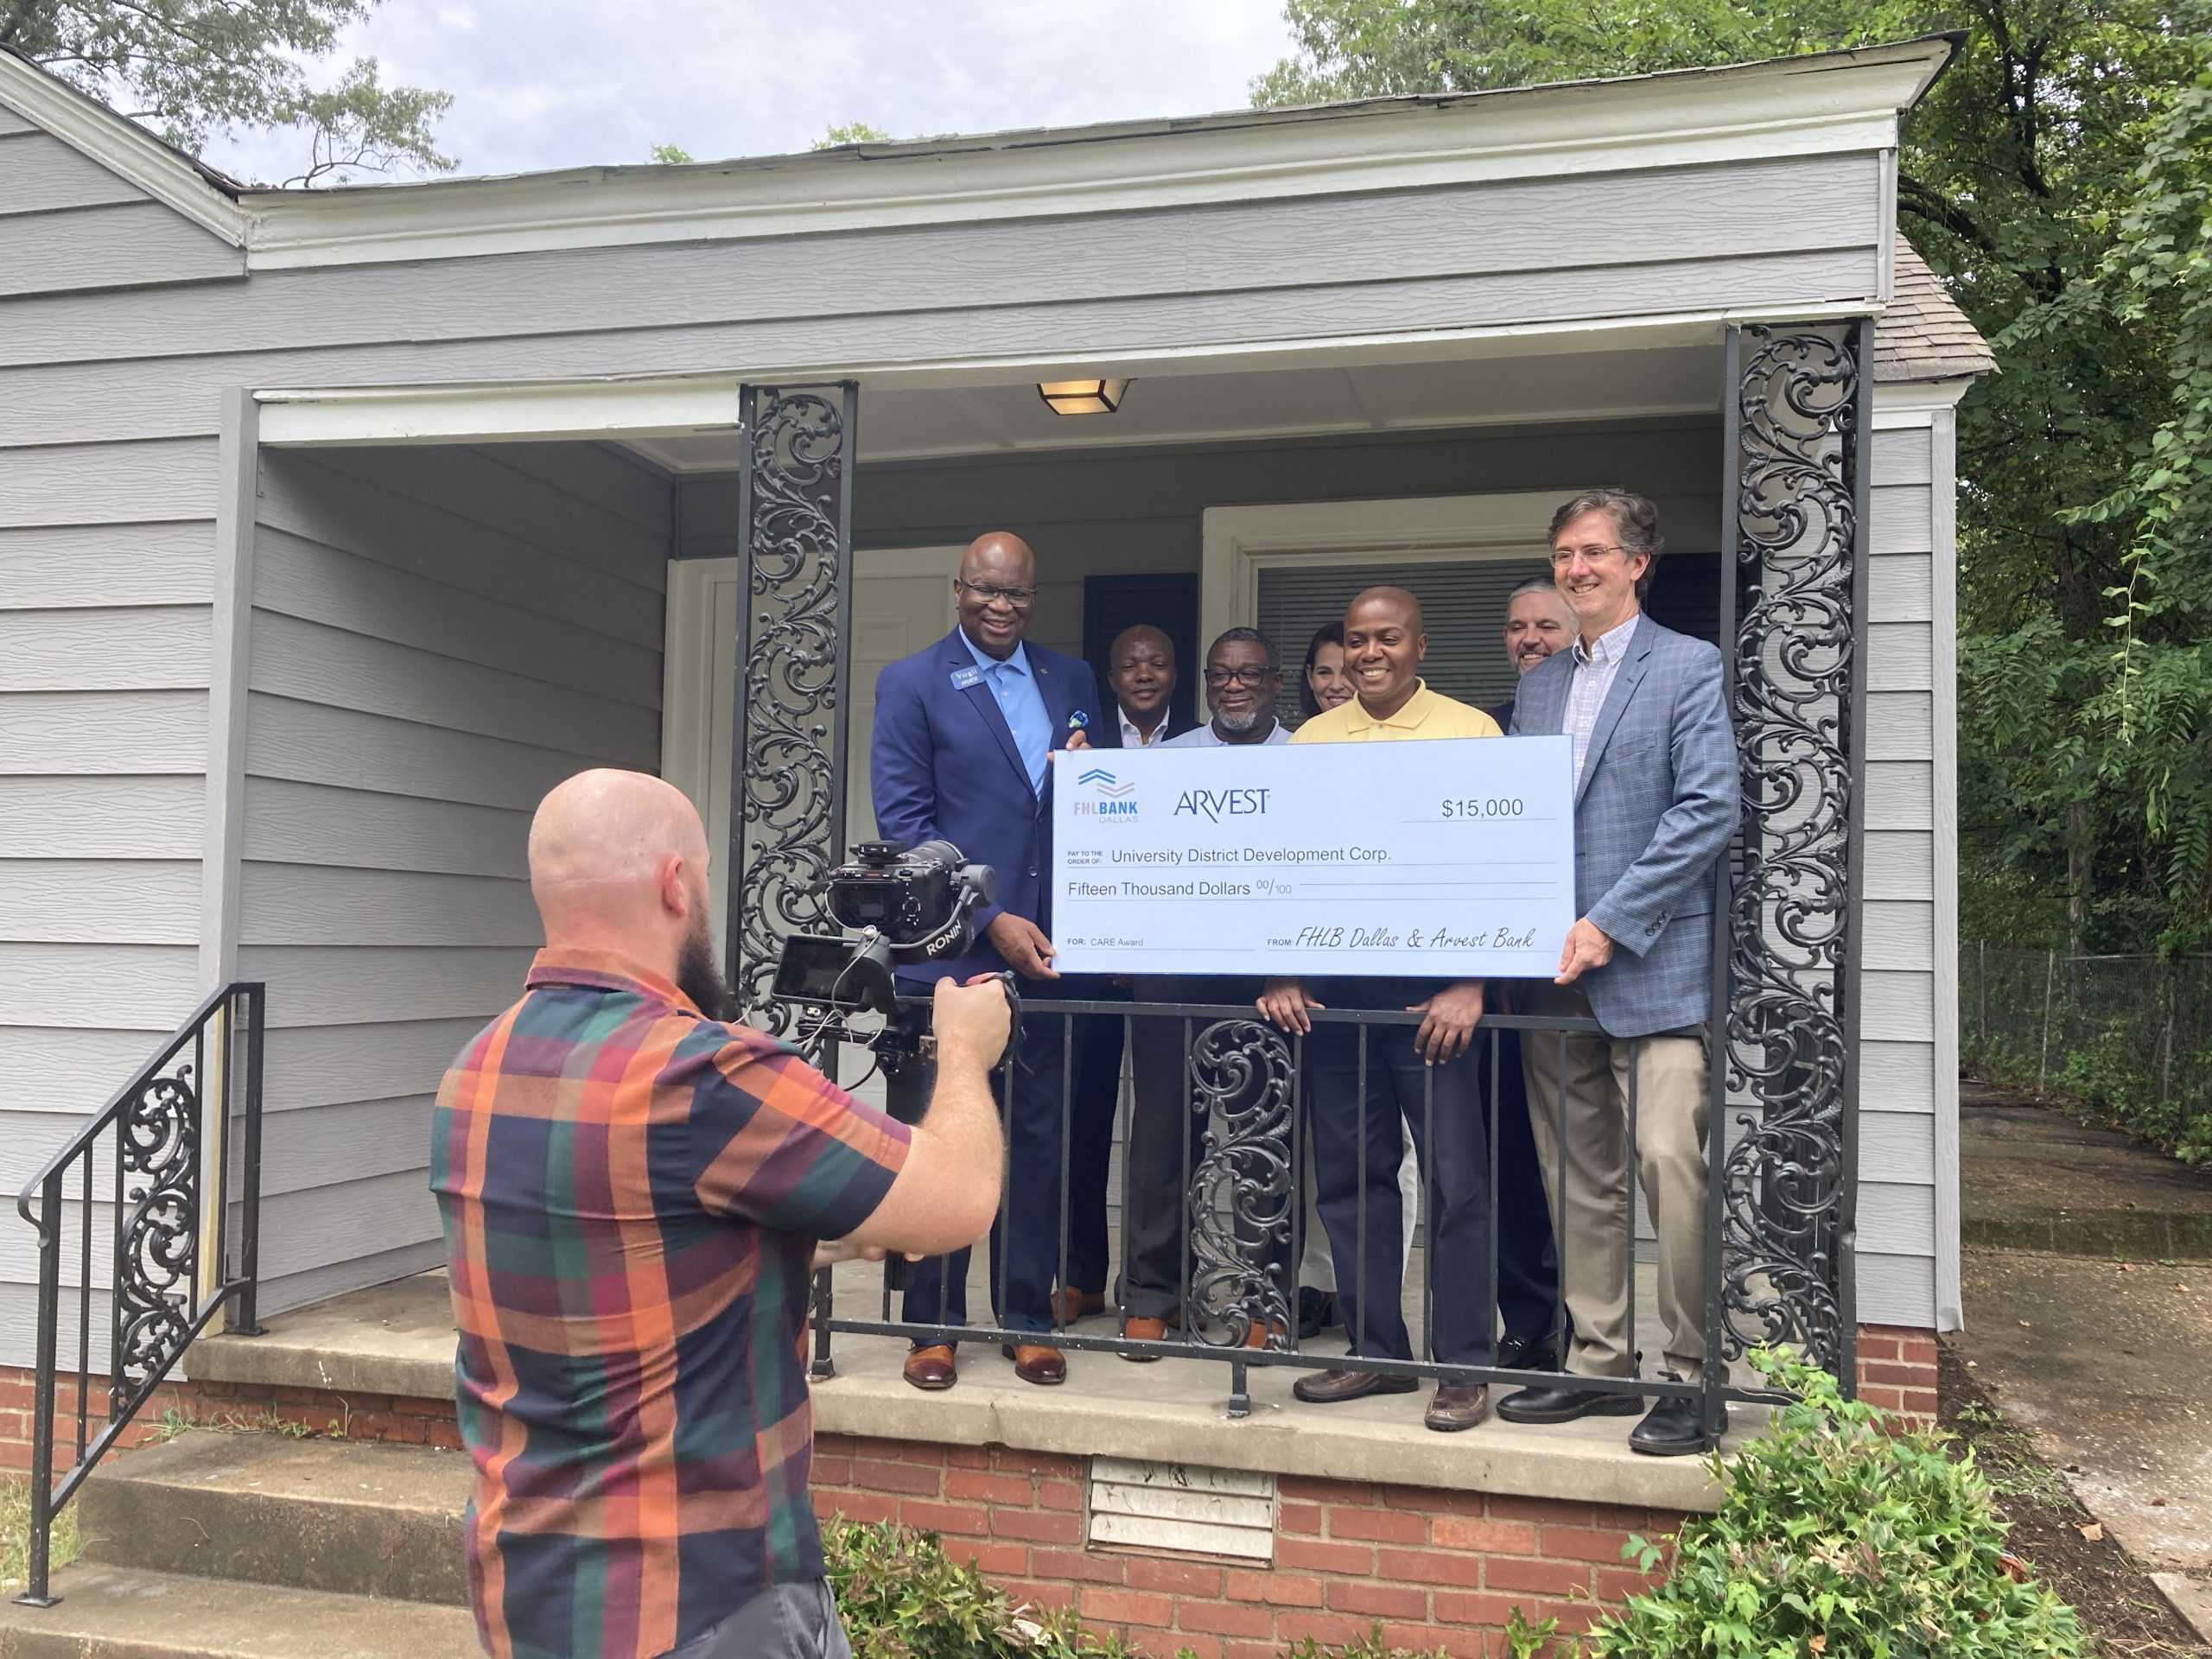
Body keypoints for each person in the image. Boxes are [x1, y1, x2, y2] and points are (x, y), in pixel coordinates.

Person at [430, 769, 1011, 1659]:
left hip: (534, 1589)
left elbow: (621, 1243)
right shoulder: (699, 1075)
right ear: (676, 885)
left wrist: (817, 1238)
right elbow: (960, 1199)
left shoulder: (479, 1067)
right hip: (699, 1598)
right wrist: (966, 1052)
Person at [1495, 489, 1738, 1457]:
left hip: (1654, 971)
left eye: (1593, 552)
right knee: (1577, 1178)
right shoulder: (1541, 686)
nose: (1575, 568)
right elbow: (1512, 820)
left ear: (1638, 563)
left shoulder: (1687, 667)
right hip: (1553, 979)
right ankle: (1598, 1363)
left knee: (1671, 1166)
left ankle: (1691, 1375)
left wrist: (1609, 922)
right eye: (1563, 553)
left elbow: (1706, 810)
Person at [1257, 588, 1504, 1433]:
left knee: (1456, 1183)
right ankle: (1375, 1352)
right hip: (1333, 1000)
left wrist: (1470, 981)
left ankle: (1465, 1363)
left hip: (1433, 999)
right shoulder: (1310, 741)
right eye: (1357, 640)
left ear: (1419, 643)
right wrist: (1281, 969)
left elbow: (1499, 864)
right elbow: (1280, 865)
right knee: (1351, 1181)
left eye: (1386, 638)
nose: (1369, 653)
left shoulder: (1471, 732)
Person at [870, 531, 1101, 1391]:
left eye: (1018, 596)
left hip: (1051, 956)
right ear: (958, 589)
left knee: (1034, 1144)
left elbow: (1098, 802)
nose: (1002, 608)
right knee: (943, 1141)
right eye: (987, 592)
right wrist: (992, 917)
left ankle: (1027, 1318)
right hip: (952, 959)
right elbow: (906, 827)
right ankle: (933, 1326)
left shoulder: (1070, 681)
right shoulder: (911, 684)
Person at [1111, 628, 1294, 1358]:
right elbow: (1131, 862)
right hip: (1171, 973)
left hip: (1267, 983)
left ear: (1276, 682)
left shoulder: (1307, 759)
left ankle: (1261, 1299)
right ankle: (1153, 1296)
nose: (1233, 686)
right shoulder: (1168, 762)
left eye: (1249, 674)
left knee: (1262, 1145)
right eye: (1220, 675)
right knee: (1160, 1138)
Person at [1061, 625, 1199, 1323]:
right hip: (1089, 965)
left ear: (1176, 673)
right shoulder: (1083, 749)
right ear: (1110, 679)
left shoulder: (1203, 746)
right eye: (1129, 665)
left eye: (1158, 661)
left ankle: (1162, 1283)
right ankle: (1081, 1274)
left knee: (1167, 1126)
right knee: (1082, 1118)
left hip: (1172, 970)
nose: (1144, 674)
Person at [1483, 575, 1580, 1375]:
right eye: (1518, 628)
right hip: (1501, 992)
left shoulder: (1593, 718)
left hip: (1587, 977)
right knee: (1516, 1163)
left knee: (1585, 1163)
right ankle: (1531, 1320)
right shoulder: (1494, 731)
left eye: (1546, 625)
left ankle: (1596, 1328)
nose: (1530, 639)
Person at [1298, 621, 1354, 720]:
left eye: (1347, 672)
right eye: (1324, 672)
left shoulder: (1387, 734)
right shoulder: (1302, 735)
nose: (1336, 686)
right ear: (1310, 677)